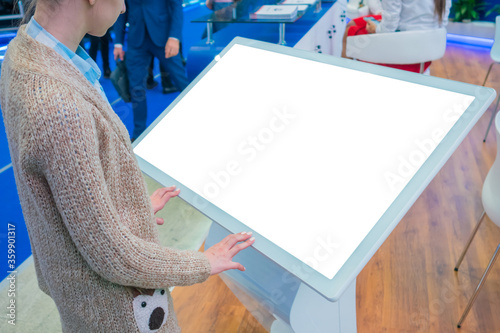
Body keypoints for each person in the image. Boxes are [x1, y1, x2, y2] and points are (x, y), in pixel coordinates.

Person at [0, 0, 255, 332]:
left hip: (83, 303)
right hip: (118, 313)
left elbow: (60, 198)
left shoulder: (23, 55)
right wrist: (203, 262)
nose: (123, 7)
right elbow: (113, 256)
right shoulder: (60, 106)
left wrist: (121, 208)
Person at [114, 0, 189, 140]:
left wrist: (174, 37)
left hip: (164, 36)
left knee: (181, 82)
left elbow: (176, 5)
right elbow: (121, 8)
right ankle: (139, 133)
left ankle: (197, 118)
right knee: (136, 88)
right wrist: (118, 42)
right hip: (136, 41)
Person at [341, 0, 451, 72]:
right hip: (425, 49)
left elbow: (390, 25)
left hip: (400, 46)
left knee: (349, 31)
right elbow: (442, 21)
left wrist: (375, 29)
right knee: (353, 22)